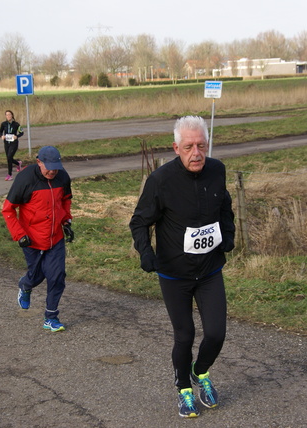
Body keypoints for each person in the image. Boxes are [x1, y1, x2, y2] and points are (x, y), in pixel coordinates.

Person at [129, 116, 235, 418]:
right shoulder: (161, 181)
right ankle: (183, 389)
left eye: (202, 145)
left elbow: (225, 206)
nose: (196, 153)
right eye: (189, 147)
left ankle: (199, 372)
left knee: (216, 333)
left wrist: (228, 235)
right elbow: (139, 221)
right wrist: (146, 253)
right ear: (177, 148)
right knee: (185, 335)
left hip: (210, 269)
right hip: (174, 272)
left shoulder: (217, 171)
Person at [2, 146, 74, 332]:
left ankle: (51, 317)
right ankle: (26, 285)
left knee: (57, 276)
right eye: (48, 167)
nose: (52, 171)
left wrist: (66, 220)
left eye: (56, 167)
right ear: (39, 162)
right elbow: (8, 209)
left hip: (55, 238)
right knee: (37, 276)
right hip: (31, 239)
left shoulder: (62, 177)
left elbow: (65, 200)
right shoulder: (25, 179)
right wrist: (20, 235)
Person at [0, 110, 24, 181]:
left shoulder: (16, 124)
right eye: (6, 115)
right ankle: (18, 163)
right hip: (6, 143)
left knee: (9, 157)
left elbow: (21, 132)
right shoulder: (3, 124)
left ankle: (9, 175)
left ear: (12, 115)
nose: (8, 116)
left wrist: (17, 136)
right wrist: (1, 136)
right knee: (8, 158)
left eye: (9, 114)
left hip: (14, 143)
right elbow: (0, 131)